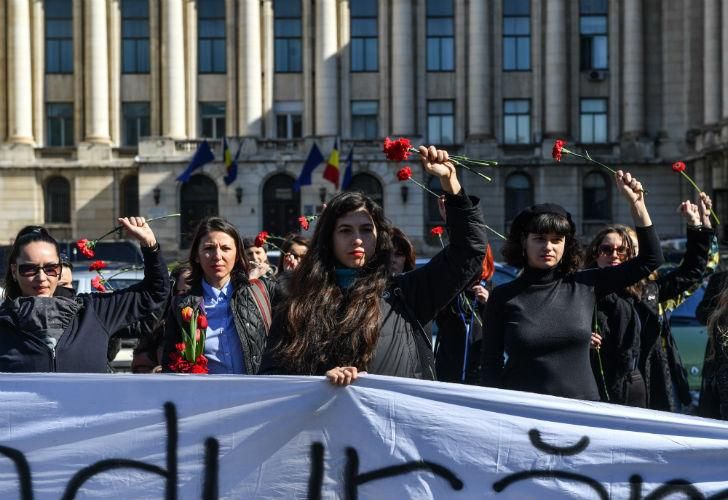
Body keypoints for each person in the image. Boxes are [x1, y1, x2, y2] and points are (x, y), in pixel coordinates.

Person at [260, 145, 487, 385]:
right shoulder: (297, 300)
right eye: (345, 230)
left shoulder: (406, 294)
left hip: (393, 420)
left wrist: (450, 182)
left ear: (379, 237)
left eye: (367, 230)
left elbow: (469, 251)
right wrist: (319, 381)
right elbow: (271, 378)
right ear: (329, 238)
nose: (357, 239)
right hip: (325, 420)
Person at [481, 171, 663, 401]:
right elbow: (490, 366)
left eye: (557, 240)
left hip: (581, 417)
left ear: (566, 246)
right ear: (523, 243)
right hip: (523, 417)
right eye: (539, 238)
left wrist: (637, 205)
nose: (548, 247)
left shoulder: (585, 284)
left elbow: (651, 259)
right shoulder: (503, 297)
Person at [590, 197, 714, 410]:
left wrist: (697, 225)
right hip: (594, 388)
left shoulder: (648, 291)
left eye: (623, 250)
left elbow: (693, 271)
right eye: (606, 249)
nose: (615, 256)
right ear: (595, 254)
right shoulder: (580, 289)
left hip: (645, 386)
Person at [0, 219, 169, 372]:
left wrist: (150, 247)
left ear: (60, 270)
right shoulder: (4, 322)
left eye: (50, 268)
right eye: (29, 269)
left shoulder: (93, 311)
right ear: (14, 271)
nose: (41, 278)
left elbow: (154, 292)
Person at [162, 217, 275, 374]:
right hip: (207, 396)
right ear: (196, 255)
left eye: (226, 248)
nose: (217, 256)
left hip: (257, 394)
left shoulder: (260, 291)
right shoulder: (182, 305)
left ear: (237, 255)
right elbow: (170, 361)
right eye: (209, 248)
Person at [434, 254, 492, 384]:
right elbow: (437, 320)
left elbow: (497, 330)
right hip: (447, 374)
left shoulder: (491, 291)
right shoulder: (449, 288)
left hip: (478, 375)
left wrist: (488, 303)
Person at [132, 262, 192, 373]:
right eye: (184, 292)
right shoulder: (157, 326)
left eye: (195, 292)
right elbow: (140, 365)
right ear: (172, 293)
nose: (191, 299)